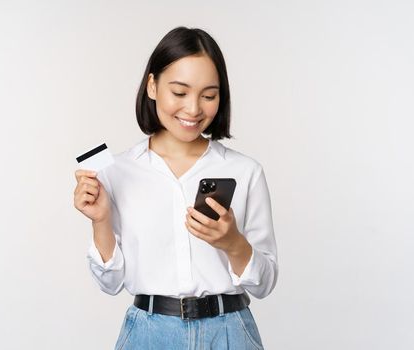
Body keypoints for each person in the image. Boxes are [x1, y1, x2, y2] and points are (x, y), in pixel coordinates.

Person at [73, 26, 278, 349]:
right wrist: (100, 220)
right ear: (152, 86)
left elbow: (265, 283)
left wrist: (233, 243)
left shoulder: (244, 171)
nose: (194, 109)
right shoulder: (118, 171)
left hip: (230, 333)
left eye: (209, 95)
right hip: (149, 335)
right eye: (180, 93)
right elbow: (110, 283)